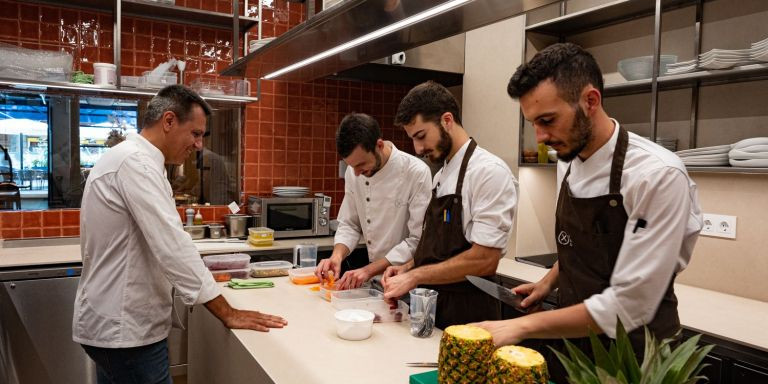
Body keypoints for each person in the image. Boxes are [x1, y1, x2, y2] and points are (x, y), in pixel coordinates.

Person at [474, 43, 702, 380]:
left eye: (548, 120)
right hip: (575, 345)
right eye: (533, 123)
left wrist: (522, 326)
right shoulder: (567, 159)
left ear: (590, 101)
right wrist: (549, 281)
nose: (540, 136)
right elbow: (583, 243)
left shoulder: (657, 175)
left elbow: (631, 305)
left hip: (638, 357)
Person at [73, 85, 287, 384]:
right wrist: (226, 311)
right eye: (196, 133)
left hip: (117, 326)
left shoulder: (139, 160)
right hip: (126, 330)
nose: (199, 145)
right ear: (169, 121)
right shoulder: (135, 163)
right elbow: (172, 245)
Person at [382, 81, 519, 329]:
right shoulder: (441, 175)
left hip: (470, 317)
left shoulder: (488, 172)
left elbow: (484, 260)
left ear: (447, 120)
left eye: (421, 136)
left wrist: (415, 276)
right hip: (437, 312)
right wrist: (408, 268)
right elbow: (442, 251)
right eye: (413, 139)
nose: (418, 148)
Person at [315, 113, 432, 290]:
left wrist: (368, 270)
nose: (355, 173)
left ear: (379, 145)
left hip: (407, 282)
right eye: (351, 166)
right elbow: (349, 224)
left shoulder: (415, 172)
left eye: (361, 165)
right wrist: (336, 257)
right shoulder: (354, 173)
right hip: (373, 284)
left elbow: (416, 240)